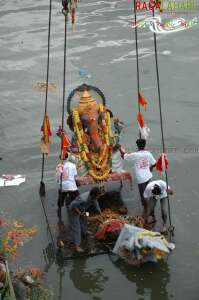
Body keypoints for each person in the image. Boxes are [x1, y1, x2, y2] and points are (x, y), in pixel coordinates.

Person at [120, 139, 156, 216]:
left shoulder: (135, 155)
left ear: (137, 146)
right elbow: (154, 163)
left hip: (141, 178)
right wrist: (150, 169)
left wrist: (120, 149)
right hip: (149, 176)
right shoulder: (148, 154)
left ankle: (146, 209)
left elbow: (124, 156)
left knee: (143, 195)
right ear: (145, 145)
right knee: (148, 192)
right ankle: (149, 208)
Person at [68, 187, 102, 253]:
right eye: (98, 196)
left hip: (82, 209)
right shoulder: (83, 199)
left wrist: (100, 212)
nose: (98, 197)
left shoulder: (93, 197)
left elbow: (96, 203)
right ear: (94, 195)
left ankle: (85, 232)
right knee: (76, 228)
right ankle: (76, 246)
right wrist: (79, 213)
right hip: (73, 210)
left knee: (84, 221)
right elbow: (72, 205)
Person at [56, 153, 79, 219]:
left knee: (61, 198)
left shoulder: (58, 166)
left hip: (63, 186)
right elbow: (75, 176)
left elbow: (57, 177)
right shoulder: (73, 165)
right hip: (72, 186)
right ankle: (76, 209)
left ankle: (59, 209)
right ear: (68, 158)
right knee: (77, 199)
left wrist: (60, 183)